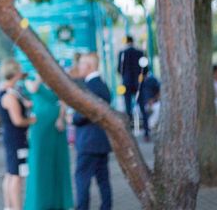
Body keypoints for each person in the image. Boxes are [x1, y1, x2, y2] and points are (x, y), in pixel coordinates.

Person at [24, 75, 73, 210]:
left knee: (58, 161)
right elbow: (33, 89)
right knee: (39, 162)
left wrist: (61, 117)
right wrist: (40, 77)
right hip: (40, 126)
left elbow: (63, 100)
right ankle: (39, 202)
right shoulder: (30, 79)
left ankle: (59, 201)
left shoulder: (55, 80)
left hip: (56, 126)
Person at [73, 53, 112, 210]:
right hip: (101, 141)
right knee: (103, 180)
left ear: (89, 66)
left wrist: (73, 118)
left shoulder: (90, 87)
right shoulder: (102, 85)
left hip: (89, 141)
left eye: (81, 64)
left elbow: (83, 115)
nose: (78, 67)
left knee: (82, 179)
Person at [0, 58, 36, 210]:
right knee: (16, 176)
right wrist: (33, 120)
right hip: (16, 139)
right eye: (19, 71)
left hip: (10, 137)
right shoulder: (10, 96)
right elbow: (18, 121)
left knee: (10, 173)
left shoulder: (8, 91)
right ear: (14, 73)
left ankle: (9, 207)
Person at [117, 36, 146, 123]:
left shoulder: (122, 53)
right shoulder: (140, 53)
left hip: (126, 83)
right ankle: (146, 131)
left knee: (127, 107)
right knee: (142, 107)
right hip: (138, 83)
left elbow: (119, 69)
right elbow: (145, 68)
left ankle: (128, 128)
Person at [137, 68, 160, 141]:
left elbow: (159, 91)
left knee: (158, 108)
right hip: (143, 104)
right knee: (143, 112)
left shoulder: (153, 80)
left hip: (154, 103)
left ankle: (151, 126)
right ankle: (149, 128)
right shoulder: (139, 82)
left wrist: (153, 100)